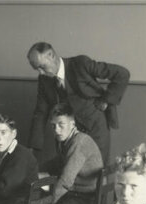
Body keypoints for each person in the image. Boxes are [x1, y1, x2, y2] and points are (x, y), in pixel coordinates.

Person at [27, 41, 129, 171]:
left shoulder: (80, 64)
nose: (40, 72)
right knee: (69, 173)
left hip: (95, 129)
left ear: (51, 55)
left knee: (95, 172)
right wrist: (33, 148)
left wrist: (106, 100)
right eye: (36, 69)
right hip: (68, 135)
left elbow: (122, 73)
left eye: (42, 66)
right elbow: (41, 113)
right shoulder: (44, 80)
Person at [40, 103, 104, 204]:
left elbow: (65, 182)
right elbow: (57, 162)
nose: (57, 130)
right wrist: (35, 170)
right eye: (53, 125)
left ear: (72, 124)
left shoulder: (79, 142)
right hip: (74, 194)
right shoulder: (68, 139)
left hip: (85, 200)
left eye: (61, 125)